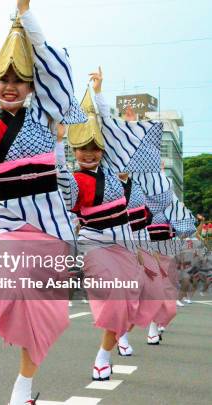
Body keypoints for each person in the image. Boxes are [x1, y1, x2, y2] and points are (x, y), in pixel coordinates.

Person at [0, 1, 86, 402]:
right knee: (3, 275)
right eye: (2, 79)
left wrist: (27, 18)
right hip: (8, 224)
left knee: (45, 314)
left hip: (50, 228)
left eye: (20, 80)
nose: (10, 86)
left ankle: (23, 385)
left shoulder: (44, 114)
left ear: (31, 85)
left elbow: (55, 77)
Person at [57, 67, 163, 381]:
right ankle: (104, 356)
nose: (89, 154)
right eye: (82, 149)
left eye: (94, 148)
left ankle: (105, 351)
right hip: (96, 245)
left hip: (125, 245)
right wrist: (57, 143)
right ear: (75, 150)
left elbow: (111, 127)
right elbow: (61, 175)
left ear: (103, 150)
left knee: (129, 308)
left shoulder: (115, 168)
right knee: (116, 301)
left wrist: (100, 93)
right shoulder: (74, 180)